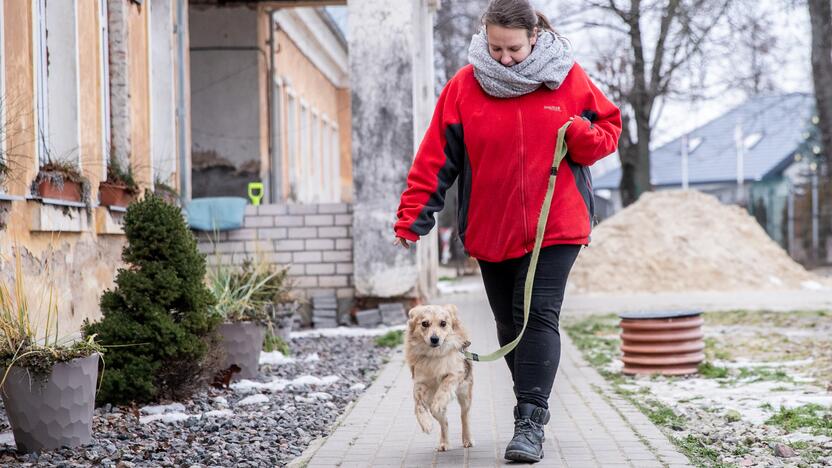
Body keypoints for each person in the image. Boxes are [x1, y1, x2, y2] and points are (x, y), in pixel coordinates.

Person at [393, 0, 621, 462]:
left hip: (555, 226)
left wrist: (580, 135)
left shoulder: (566, 76)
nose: (504, 58)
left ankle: (530, 420)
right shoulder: (463, 86)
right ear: (485, 36)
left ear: (534, 36)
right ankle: (529, 409)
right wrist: (414, 215)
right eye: (495, 48)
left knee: (537, 316)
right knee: (508, 324)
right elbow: (437, 156)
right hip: (491, 228)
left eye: (514, 49)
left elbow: (609, 130)